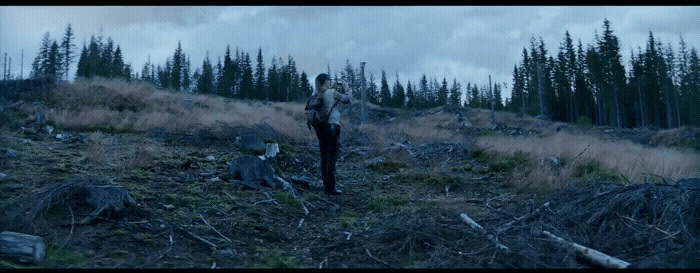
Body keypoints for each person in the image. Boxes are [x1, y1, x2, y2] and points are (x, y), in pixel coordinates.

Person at [309, 73, 352, 195]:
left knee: (324, 156)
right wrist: (347, 88)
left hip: (320, 128)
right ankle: (330, 187)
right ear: (326, 81)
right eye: (329, 80)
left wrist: (330, 87)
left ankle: (325, 185)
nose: (330, 82)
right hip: (332, 126)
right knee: (332, 157)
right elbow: (347, 100)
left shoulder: (315, 93)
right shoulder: (332, 92)